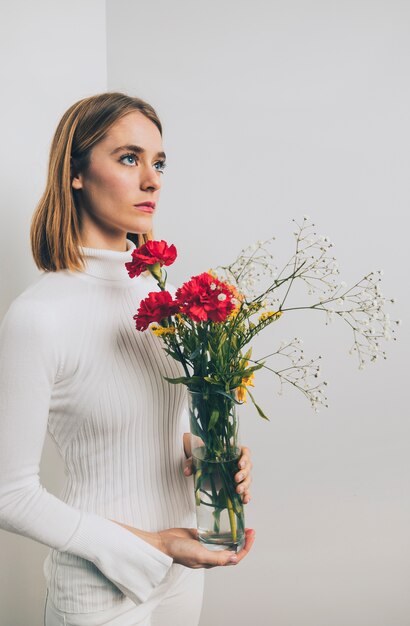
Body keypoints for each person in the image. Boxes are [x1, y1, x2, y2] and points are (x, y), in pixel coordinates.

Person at [0, 92, 255, 626]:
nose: (152, 179)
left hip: (183, 572)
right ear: (75, 172)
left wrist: (207, 451)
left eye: (158, 162)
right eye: (128, 158)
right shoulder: (39, 316)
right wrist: (149, 543)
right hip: (100, 591)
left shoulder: (161, 301)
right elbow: (8, 493)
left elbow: (149, 426)